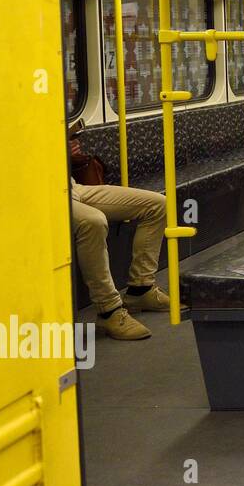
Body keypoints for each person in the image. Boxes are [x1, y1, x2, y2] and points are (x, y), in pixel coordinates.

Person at [68, 128, 176, 340]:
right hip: (41, 193)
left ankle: (140, 289)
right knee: (93, 221)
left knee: (157, 204)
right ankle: (109, 310)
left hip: (71, 186)